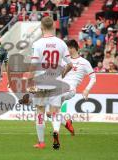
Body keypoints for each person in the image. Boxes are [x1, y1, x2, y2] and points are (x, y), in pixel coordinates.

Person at [28, 16, 73, 150]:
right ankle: (56, 131)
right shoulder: (61, 43)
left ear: (41, 28)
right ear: (53, 27)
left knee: (40, 111)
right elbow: (70, 64)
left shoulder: (37, 44)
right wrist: (62, 74)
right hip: (56, 82)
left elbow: (34, 64)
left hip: (41, 82)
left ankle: (41, 142)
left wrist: (30, 81)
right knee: (55, 111)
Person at [47, 39, 96, 136]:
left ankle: (56, 132)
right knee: (51, 112)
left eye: (67, 48)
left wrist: (86, 90)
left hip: (69, 89)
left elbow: (93, 78)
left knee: (52, 109)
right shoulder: (63, 60)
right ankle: (67, 123)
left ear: (72, 48)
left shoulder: (84, 62)